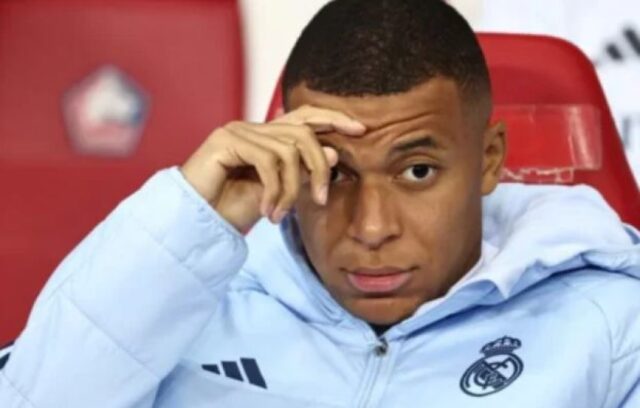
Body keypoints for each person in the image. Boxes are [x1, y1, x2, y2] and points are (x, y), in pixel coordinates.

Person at [1, 0, 640, 406]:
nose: (371, 228)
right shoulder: (186, 299)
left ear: (490, 159)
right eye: (333, 174)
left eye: (417, 171)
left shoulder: (609, 324)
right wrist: (185, 224)